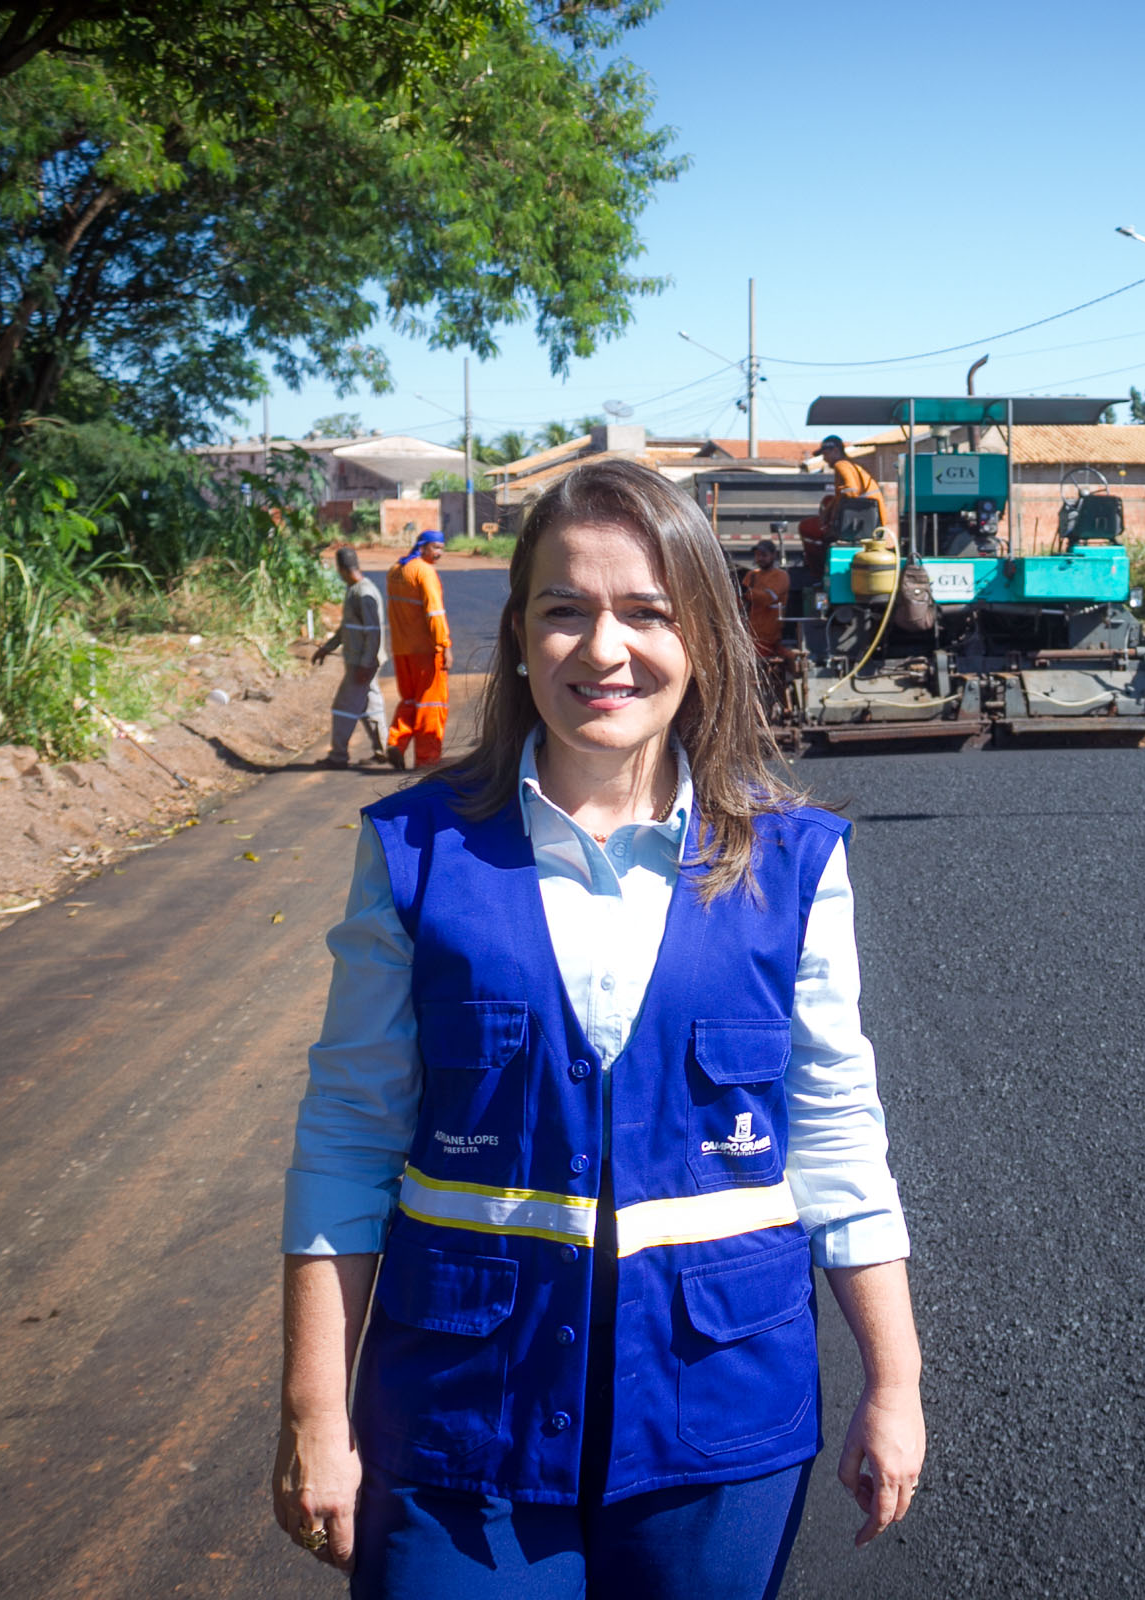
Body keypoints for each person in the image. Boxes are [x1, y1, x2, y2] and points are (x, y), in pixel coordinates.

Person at [273, 458, 923, 1599]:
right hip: (459, 1430)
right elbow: (348, 1139)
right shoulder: (415, 850)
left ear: (705, 638)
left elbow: (836, 1133)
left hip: (718, 1430)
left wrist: (895, 1380)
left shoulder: (796, 860)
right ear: (520, 635)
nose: (604, 649)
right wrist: (315, 1411)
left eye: (648, 612)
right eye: (564, 610)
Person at [313, 545, 390, 766]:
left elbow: (373, 633)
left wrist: (366, 665)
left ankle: (338, 756)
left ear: (342, 569)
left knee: (343, 707)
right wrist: (327, 647)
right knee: (370, 706)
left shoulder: (364, 594)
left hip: (362, 663)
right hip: (362, 662)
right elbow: (347, 628)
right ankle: (383, 750)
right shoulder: (354, 590)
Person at [385, 528, 451, 768]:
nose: (440, 553)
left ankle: (396, 742)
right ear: (422, 547)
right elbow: (434, 613)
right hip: (426, 652)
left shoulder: (395, 571)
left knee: (411, 701)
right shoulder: (424, 572)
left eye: (442, 548)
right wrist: (444, 646)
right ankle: (427, 759)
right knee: (431, 704)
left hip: (402, 651)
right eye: (436, 548)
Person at [797, 436, 890, 578]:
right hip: (870, 520)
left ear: (835, 450)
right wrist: (830, 508)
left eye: (825, 454)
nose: (824, 459)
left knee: (806, 527)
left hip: (860, 522)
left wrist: (831, 516)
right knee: (827, 502)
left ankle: (818, 574)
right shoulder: (851, 465)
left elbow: (851, 491)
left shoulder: (842, 465)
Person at [739, 539, 795, 667]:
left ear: (773, 555)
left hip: (769, 636)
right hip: (750, 635)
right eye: (757, 555)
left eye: (763, 555)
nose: (760, 558)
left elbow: (767, 598)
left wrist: (746, 592)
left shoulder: (780, 576)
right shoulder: (751, 575)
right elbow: (740, 603)